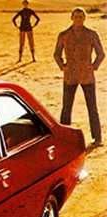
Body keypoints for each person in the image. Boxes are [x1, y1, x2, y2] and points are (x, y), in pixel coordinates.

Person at [54, 7, 105, 147]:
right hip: (70, 75)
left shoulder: (91, 34)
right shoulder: (64, 35)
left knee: (92, 107)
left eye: (81, 17)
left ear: (84, 18)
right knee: (66, 107)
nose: (78, 19)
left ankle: (97, 138)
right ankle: (64, 138)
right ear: (71, 18)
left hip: (87, 76)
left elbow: (101, 54)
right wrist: (62, 66)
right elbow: (57, 54)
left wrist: (94, 66)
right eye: (76, 17)